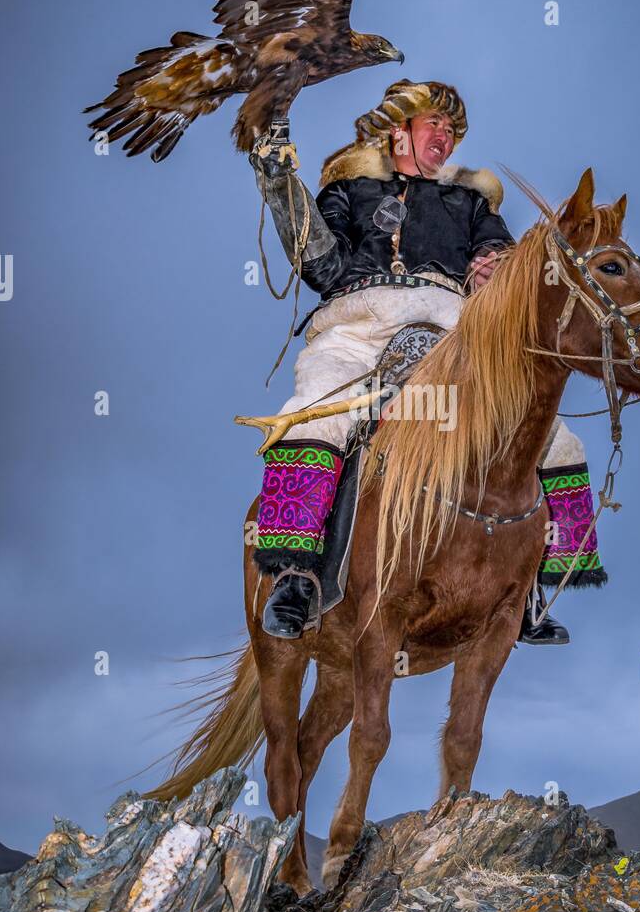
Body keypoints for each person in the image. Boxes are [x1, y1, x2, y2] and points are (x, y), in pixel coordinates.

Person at [249, 79, 607, 640]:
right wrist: (279, 184)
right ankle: (295, 577)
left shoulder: (470, 201)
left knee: (560, 442)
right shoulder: (349, 191)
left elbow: (501, 259)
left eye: (452, 129)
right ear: (399, 130)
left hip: (452, 338)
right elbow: (320, 266)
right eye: (433, 124)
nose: (446, 136)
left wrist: (496, 269)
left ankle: (532, 589)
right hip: (358, 333)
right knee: (316, 416)